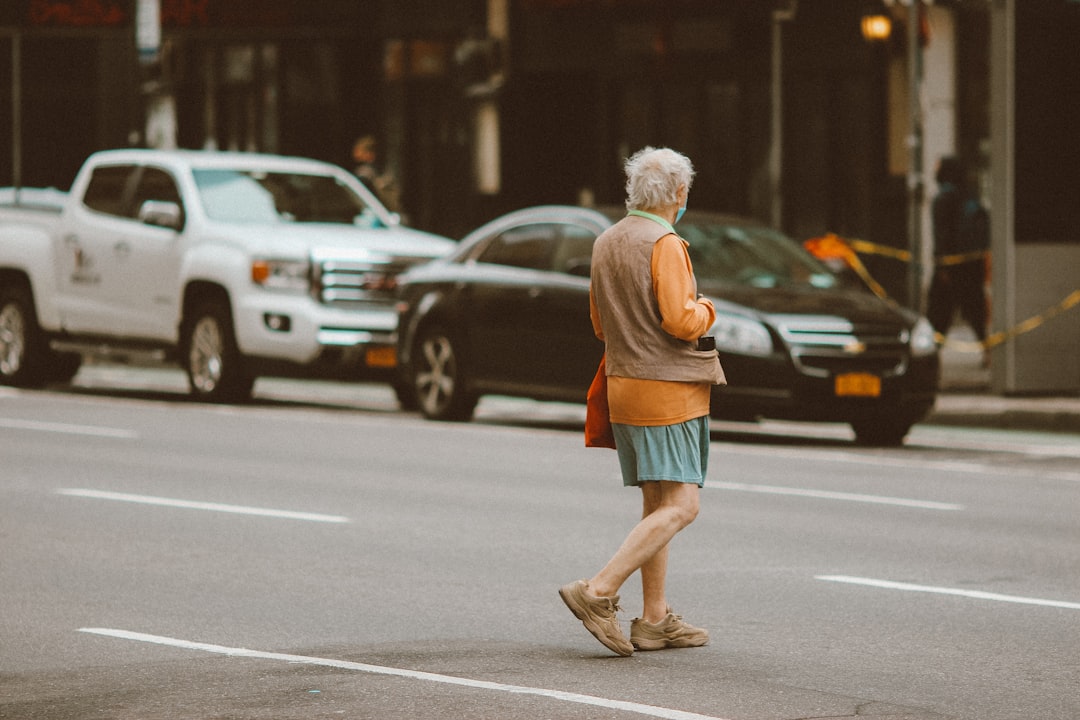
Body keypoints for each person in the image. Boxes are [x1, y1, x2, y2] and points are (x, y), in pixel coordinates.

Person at [559, 147, 726, 656]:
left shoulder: (606, 241)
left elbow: (598, 324)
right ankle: (598, 590)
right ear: (679, 194)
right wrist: (707, 309)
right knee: (683, 504)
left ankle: (654, 620)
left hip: (623, 384)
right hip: (668, 390)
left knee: (656, 502)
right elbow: (679, 319)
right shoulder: (665, 242)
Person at [926, 156, 990, 353]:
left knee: (937, 315)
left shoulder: (943, 199)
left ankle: (929, 357)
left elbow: (941, 235)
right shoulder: (970, 195)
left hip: (950, 267)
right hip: (971, 266)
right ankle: (988, 353)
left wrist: (942, 266)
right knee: (975, 313)